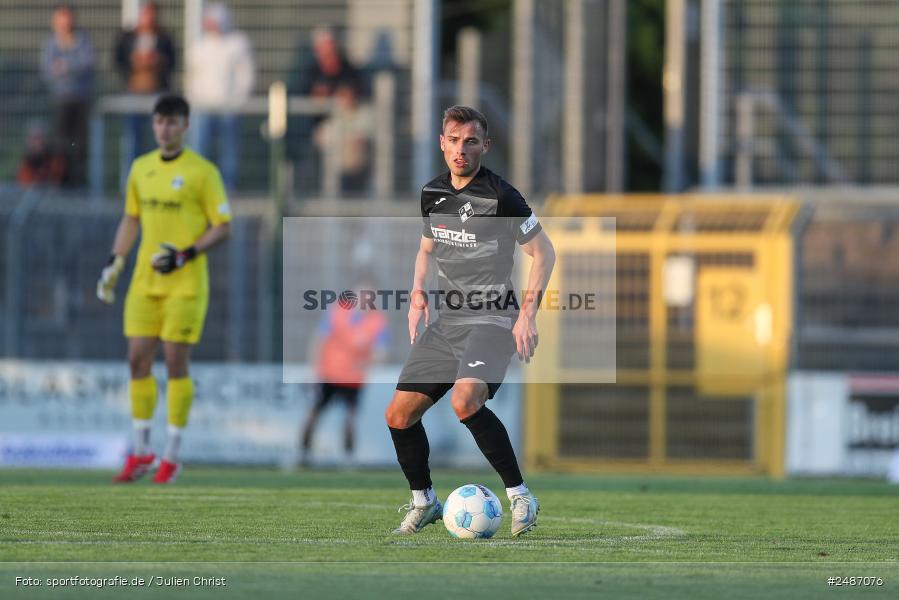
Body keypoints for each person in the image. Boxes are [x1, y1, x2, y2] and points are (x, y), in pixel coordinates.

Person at [385, 106, 556, 536]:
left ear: (485, 146)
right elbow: (426, 249)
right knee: (399, 415)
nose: (461, 149)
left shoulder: (502, 197)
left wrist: (528, 316)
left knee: (465, 401)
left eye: (471, 141)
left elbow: (544, 253)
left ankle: (521, 496)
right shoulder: (432, 193)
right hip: (449, 323)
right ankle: (424, 502)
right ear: (442, 143)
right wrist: (417, 294)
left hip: (493, 320)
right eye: (454, 140)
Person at [97, 94, 231, 484]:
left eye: (172, 122)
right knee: (136, 361)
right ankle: (141, 451)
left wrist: (185, 255)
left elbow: (223, 226)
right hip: (144, 282)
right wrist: (115, 260)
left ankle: (171, 455)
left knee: (175, 364)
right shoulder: (141, 168)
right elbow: (131, 219)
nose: (164, 128)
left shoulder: (202, 172)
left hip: (185, 285)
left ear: (185, 126)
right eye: (159, 121)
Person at [300, 276, 390, 466]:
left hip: (353, 379)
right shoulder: (338, 312)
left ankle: (348, 458)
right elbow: (319, 340)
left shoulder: (378, 321)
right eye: (362, 294)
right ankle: (303, 454)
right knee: (313, 414)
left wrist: (367, 362)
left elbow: (381, 351)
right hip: (329, 374)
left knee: (350, 419)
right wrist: (313, 369)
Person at [185, 3, 256, 192]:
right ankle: (198, 186)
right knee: (198, 147)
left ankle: (227, 189)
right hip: (202, 108)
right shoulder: (199, 46)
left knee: (229, 151)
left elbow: (245, 76)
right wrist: (194, 101)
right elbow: (191, 77)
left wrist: (237, 101)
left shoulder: (238, 43)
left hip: (228, 108)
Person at [39, 4, 94, 188]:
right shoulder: (51, 43)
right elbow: (47, 70)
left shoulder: (83, 40)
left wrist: (66, 66)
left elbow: (87, 64)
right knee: (60, 142)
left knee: (79, 143)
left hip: (80, 100)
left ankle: (79, 182)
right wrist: (69, 67)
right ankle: (59, 181)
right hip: (60, 100)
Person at [114, 1, 176, 164]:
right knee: (132, 139)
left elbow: (172, 62)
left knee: (158, 138)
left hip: (157, 94)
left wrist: (157, 60)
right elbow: (119, 61)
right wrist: (134, 61)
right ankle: (132, 173)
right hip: (133, 94)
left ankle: (157, 172)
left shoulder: (164, 37)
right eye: (145, 14)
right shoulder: (127, 37)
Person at [312, 84, 373, 194]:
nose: (346, 100)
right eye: (342, 96)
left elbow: (364, 136)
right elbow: (320, 138)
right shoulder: (333, 116)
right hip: (337, 171)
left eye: (348, 96)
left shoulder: (365, 113)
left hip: (361, 169)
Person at [17, 121, 67, 187]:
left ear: (45, 139)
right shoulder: (28, 159)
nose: (33, 143)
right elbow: (23, 182)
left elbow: (55, 181)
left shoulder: (56, 158)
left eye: (37, 138)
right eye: (30, 139)